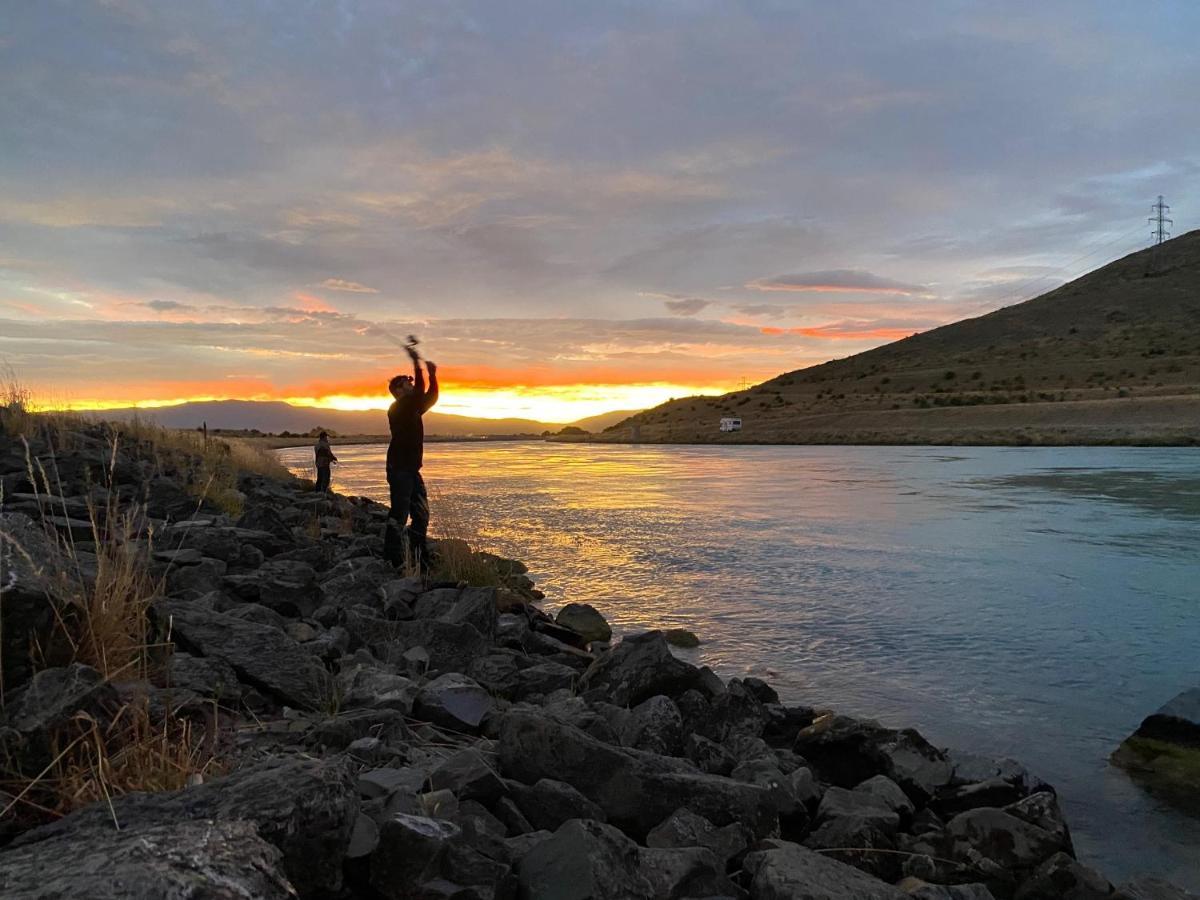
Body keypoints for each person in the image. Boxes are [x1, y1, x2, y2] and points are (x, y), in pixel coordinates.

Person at [383, 346, 438, 570]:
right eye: (407, 382)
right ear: (398, 390)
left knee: (421, 514)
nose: (412, 384)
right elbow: (420, 393)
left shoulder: (411, 407)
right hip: (399, 469)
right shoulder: (399, 408)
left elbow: (430, 397)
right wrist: (417, 364)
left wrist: (432, 375)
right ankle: (392, 558)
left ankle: (420, 557)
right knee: (399, 513)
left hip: (411, 470)